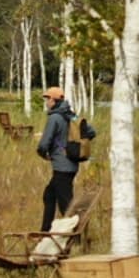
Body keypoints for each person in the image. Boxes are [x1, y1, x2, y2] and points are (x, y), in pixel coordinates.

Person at [34, 86, 96, 232]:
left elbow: (44, 143)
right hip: (71, 164)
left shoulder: (55, 117)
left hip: (62, 167)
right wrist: (75, 146)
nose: (46, 102)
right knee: (49, 195)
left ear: (53, 100)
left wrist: (43, 153)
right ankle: (45, 230)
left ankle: (77, 234)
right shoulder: (70, 115)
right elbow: (92, 132)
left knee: (66, 205)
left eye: (47, 99)